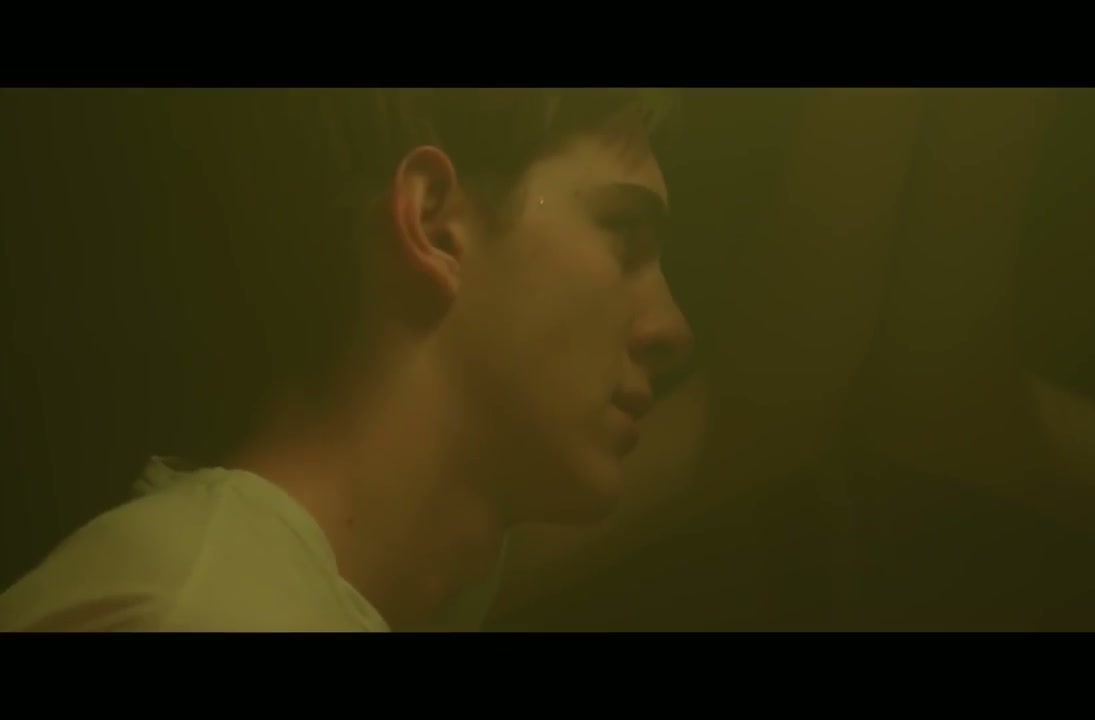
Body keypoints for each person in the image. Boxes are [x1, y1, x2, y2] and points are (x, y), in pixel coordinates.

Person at [0, 88, 694, 632]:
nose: (673, 329)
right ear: (435, 225)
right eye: (626, 239)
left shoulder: (267, 591)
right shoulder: (203, 616)